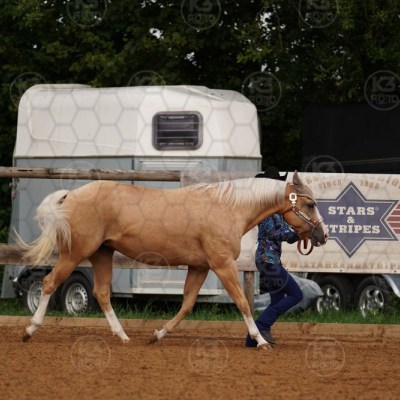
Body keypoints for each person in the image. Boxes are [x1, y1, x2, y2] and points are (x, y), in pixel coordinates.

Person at [246, 167, 304, 348]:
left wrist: (298, 233)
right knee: (296, 294)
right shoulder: (265, 208)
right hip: (267, 261)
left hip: (270, 261)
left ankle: (251, 339)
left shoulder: (276, 209)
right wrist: (295, 234)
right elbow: (271, 232)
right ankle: (262, 325)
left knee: (278, 300)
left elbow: (285, 233)